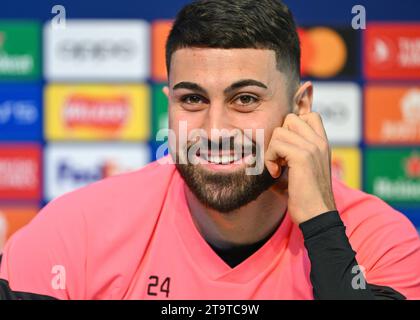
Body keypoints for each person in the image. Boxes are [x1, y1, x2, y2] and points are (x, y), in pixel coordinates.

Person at [1, 0, 419, 300]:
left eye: (246, 100)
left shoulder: (379, 241)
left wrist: (322, 227)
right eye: (193, 100)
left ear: (300, 107)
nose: (215, 130)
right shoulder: (76, 232)